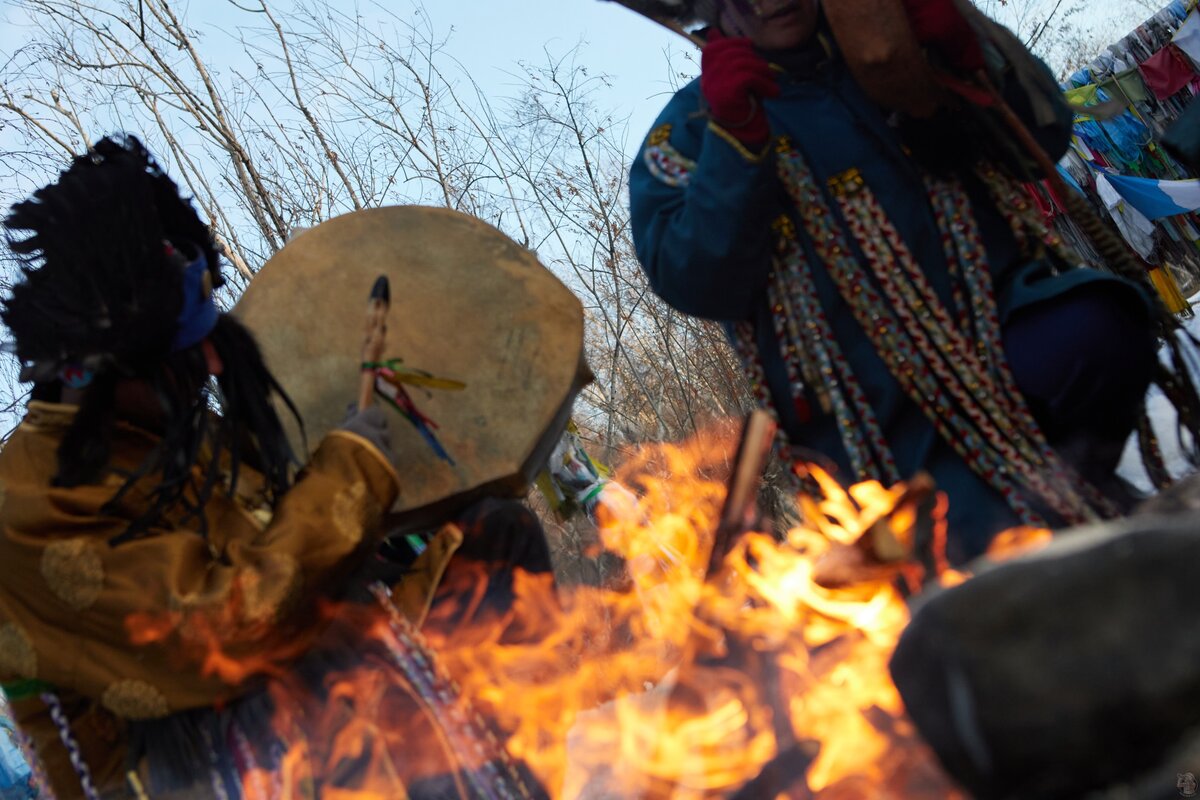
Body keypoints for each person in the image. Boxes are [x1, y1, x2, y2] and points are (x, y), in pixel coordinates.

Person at [0, 136, 548, 799]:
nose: (214, 368)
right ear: (108, 369)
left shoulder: (177, 428)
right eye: (187, 357)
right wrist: (351, 467)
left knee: (495, 537)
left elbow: (300, 529)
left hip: (300, 666)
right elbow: (226, 632)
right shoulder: (27, 507)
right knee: (290, 692)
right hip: (187, 762)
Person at [629, 0, 1162, 563]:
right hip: (874, 430)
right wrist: (733, 144)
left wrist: (965, 59)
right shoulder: (687, 131)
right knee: (980, 552)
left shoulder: (899, 44)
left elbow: (1043, 141)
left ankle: (1078, 494)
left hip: (1008, 339)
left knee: (1102, 328)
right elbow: (692, 279)